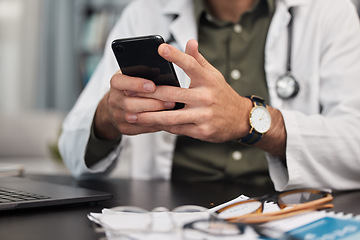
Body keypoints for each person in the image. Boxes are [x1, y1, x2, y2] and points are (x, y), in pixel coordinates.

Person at [59, 0, 360, 191]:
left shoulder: (330, 11)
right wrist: (107, 117)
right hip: (171, 215)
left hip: (286, 212)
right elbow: (72, 152)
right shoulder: (145, 12)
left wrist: (248, 119)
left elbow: (355, 144)